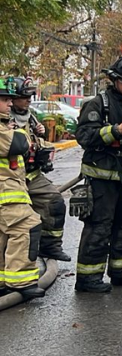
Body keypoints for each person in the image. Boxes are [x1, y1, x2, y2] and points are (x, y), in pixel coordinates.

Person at [72, 56, 122, 293]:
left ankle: (120, 271)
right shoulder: (97, 104)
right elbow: (84, 136)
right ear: (114, 79)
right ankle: (87, 278)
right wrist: (115, 131)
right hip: (101, 178)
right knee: (99, 226)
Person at [12, 77, 69, 261]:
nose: (29, 100)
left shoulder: (30, 116)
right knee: (19, 220)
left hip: (31, 174)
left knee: (54, 201)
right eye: (24, 96)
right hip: (10, 177)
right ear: (12, 98)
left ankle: (50, 246)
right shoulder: (5, 119)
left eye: (30, 96)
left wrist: (40, 133)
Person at [0, 77, 45, 300]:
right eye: (5, 99)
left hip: (10, 188)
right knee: (27, 226)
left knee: (3, 235)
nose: (10, 104)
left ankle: (3, 280)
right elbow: (19, 144)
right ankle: (21, 280)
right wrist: (19, 132)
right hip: (5, 190)